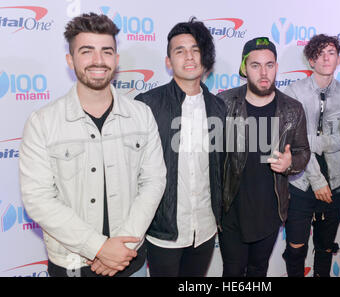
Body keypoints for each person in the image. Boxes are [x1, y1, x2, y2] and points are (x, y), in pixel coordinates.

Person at [19, 13, 166, 277]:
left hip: (129, 260)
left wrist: (120, 249)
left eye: (106, 52)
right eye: (87, 51)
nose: (98, 60)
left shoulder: (141, 115)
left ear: (116, 60)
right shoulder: (42, 122)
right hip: (72, 264)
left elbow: (154, 181)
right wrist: (98, 247)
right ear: (70, 59)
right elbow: (38, 198)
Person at [135, 18, 226, 277]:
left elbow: (219, 167)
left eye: (196, 49)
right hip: (164, 232)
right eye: (180, 50)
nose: (189, 56)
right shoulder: (147, 105)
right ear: (168, 61)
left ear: (204, 57)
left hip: (206, 228)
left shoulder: (218, 108)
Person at [217, 37, 310, 277]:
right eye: (255, 65)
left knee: (259, 270)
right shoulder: (224, 103)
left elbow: (302, 151)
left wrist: (291, 164)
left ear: (277, 67)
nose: (263, 72)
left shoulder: (293, 108)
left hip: (270, 212)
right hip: (231, 211)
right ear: (244, 69)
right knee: (233, 272)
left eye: (269, 64)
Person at [282, 34, 340, 277]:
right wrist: (317, 180)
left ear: (337, 58)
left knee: (325, 248)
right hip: (301, 183)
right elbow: (292, 142)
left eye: (331, 52)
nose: (326, 57)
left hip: (336, 184)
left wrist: (314, 141)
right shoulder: (293, 92)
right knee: (296, 248)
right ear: (311, 60)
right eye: (320, 53)